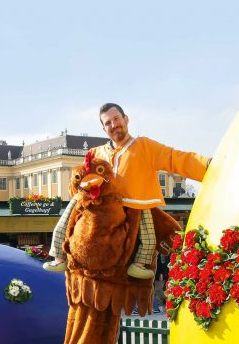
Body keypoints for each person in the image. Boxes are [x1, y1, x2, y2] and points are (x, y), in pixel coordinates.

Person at [45, 102, 210, 279]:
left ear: (126, 119)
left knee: (149, 236)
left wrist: (207, 165)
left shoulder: (145, 146)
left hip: (137, 209)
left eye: (117, 119)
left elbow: (175, 158)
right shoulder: (95, 153)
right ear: (103, 128)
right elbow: (80, 177)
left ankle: (140, 264)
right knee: (68, 215)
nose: (114, 124)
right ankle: (58, 255)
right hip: (101, 213)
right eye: (108, 123)